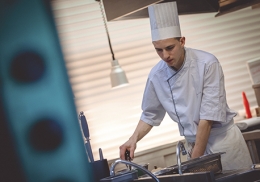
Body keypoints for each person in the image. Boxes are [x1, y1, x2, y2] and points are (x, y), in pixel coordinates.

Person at [119, 2, 253, 171]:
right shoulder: (156, 75)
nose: (165, 56)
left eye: (169, 48)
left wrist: (193, 163)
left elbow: (207, 118)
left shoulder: (207, 64)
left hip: (224, 145)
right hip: (194, 146)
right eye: (158, 50)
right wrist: (133, 139)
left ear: (182, 41)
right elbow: (150, 114)